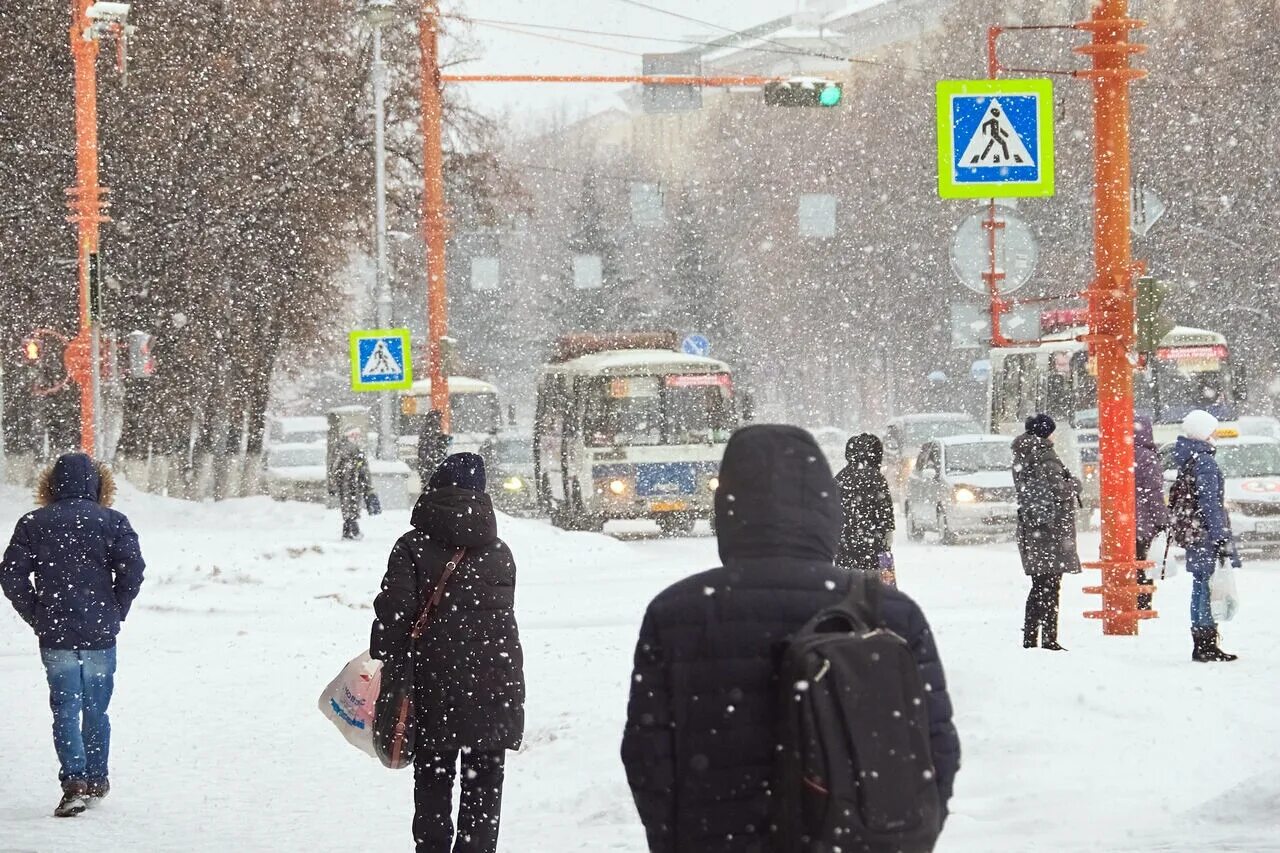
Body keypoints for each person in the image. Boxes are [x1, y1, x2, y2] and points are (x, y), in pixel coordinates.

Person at [621, 425, 959, 852]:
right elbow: (935, 748)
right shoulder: (888, 612)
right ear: (825, 509)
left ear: (727, 507)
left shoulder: (676, 614)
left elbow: (648, 756)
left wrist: (677, 839)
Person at [371, 453, 525, 853]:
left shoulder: (411, 546)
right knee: (485, 781)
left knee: (434, 777)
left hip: (433, 681)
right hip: (496, 680)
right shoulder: (499, 550)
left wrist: (383, 661)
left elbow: (395, 613)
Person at [0, 453, 145, 818]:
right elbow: (133, 571)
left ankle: (74, 782)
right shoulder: (112, 521)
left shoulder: (34, 522)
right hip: (100, 633)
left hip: (56, 632)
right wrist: (116, 609)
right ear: (99, 486)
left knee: (65, 707)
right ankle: (97, 779)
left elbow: (11, 575)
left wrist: (36, 614)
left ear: (50, 485)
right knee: (96, 707)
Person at [1170, 410, 1239, 663]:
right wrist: (1219, 535)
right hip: (1206, 534)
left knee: (1200, 586)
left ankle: (1201, 642)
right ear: (1204, 432)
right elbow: (1210, 503)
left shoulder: (1189, 459)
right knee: (1208, 587)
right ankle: (1207, 644)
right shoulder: (1206, 462)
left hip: (1193, 532)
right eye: (1213, 429)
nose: (1216, 434)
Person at [1012, 414, 1081, 651]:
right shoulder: (1046, 456)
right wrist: (1074, 484)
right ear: (1046, 433)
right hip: (1051, 531)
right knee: (1051, 586)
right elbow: (1059, 491)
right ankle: (1049, 639)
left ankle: (1030, 638)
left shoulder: (1022, 455)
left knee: (1038, 585)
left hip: (1032, 529)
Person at [835, 433, 896, 584]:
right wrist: (887, 536)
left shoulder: (840, 478)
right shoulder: (877, 478)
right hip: (872, 546)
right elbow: (885, 511)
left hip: (845, 546)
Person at [1134, 415, 1171, 610]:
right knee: (1143, 565)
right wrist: (1161, 520)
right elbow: (1154, 493)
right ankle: (1143, 604)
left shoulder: (1119, 453)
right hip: (1143, 523)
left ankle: (1129, 600)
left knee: (1129, 565)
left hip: (1123, 524)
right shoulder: (1147, 457)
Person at [331, 427, 377, 540]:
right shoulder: (347, 449)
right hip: (350, 484)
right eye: (354, 435)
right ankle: (353, 530)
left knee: (350, 507)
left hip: (352, 484)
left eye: (358, 435)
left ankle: (348, 531)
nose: (356, 438)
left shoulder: (350, 448)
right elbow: (339, 468)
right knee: (351, 507)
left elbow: (362, 468)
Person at [417, 410, 451, 490]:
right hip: (433, 468)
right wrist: (444, 441)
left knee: (429, 492)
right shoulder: (434, 430)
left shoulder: (426, 431)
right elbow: (437, 451)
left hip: (427, 468)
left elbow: (424, 452)